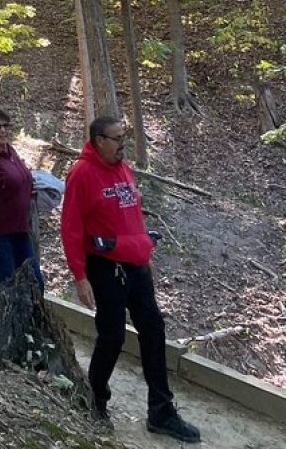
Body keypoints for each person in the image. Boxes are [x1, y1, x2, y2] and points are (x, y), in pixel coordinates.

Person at [60, 115, 200, 442]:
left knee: (153, 330)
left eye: (124, 135)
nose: (123, 142)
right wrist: (80, 276)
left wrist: (143, 252)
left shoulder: (122, 167)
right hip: (106, 268)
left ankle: (161, 411)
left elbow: (130, 215)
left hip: (136, 266)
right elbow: (71, 228)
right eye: (116, 137)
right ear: (98, 141)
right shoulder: (82, 173)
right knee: (112, 337)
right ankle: (95, 398)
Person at [0, 107, 44, 290]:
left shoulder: (10, 152)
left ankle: (32, 320)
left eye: (6, 126)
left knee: (35, 283)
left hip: (20, 230)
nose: (3, 130)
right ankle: (1, 319)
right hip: (0, 235)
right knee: (8, 288)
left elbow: (19, 178)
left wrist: (31, 187)